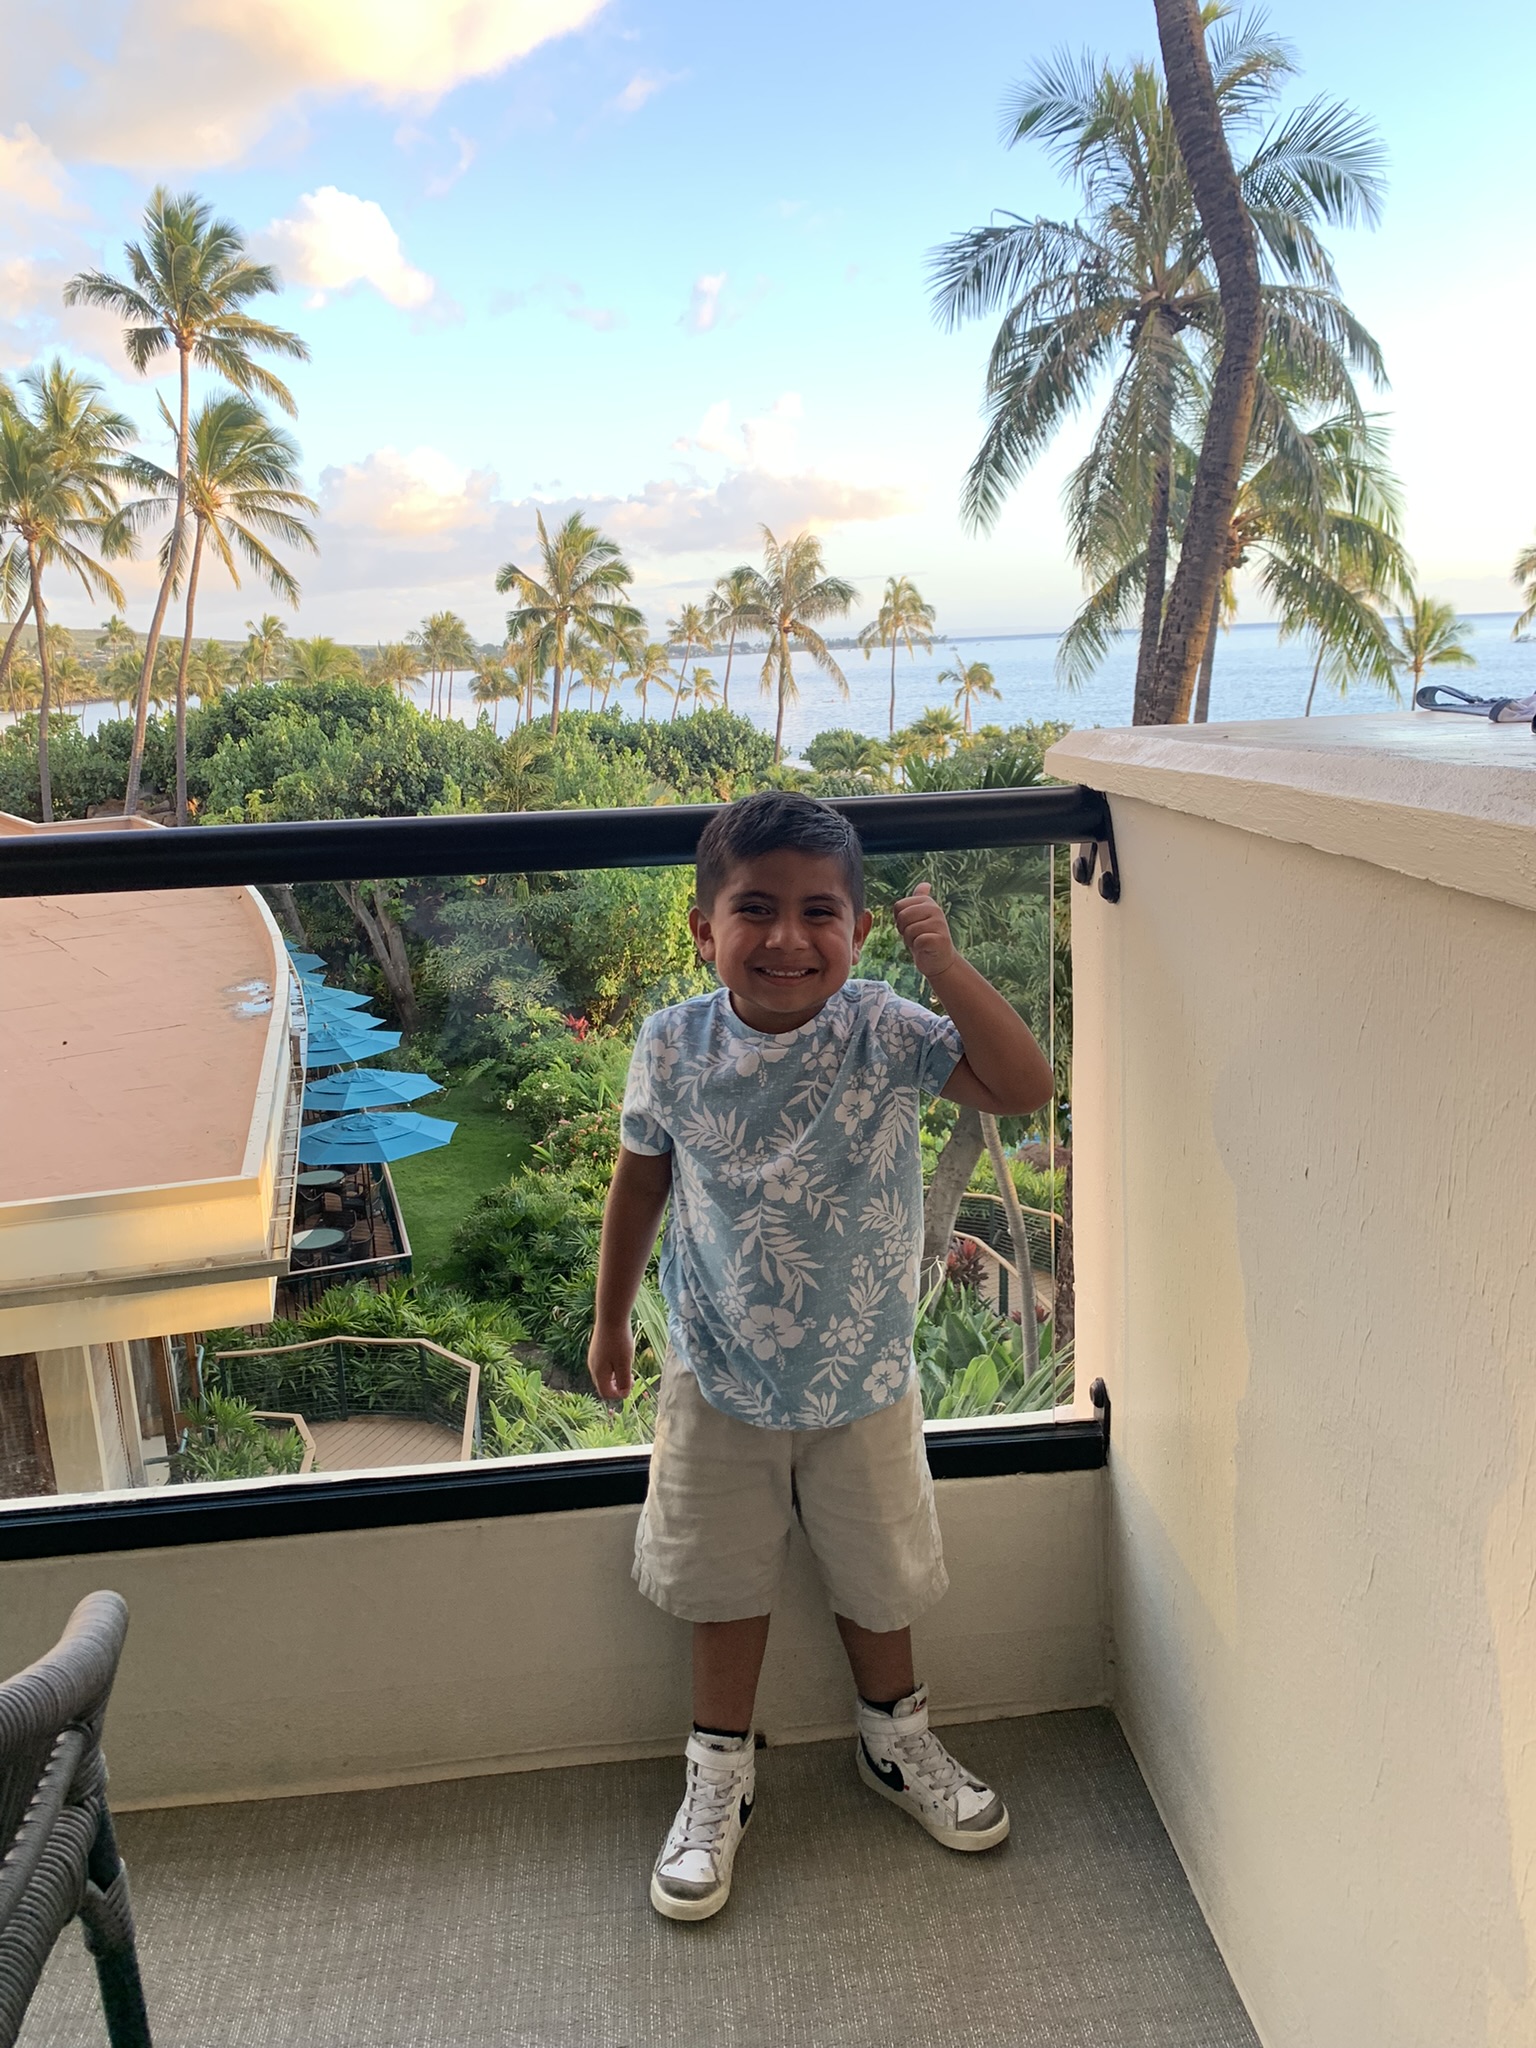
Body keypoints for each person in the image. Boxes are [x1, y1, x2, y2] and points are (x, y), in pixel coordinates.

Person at [587, 789, 1054, 1921]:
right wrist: (610, 1319)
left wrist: (944, 967)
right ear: (704, 928)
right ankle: (718, 1774)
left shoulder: (886, 1030)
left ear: (857, 928)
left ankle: (896, 1741)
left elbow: (1023, 1085)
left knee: (878, 1574)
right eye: (756, 908)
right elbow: (640, 1183)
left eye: (819, 912)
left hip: (864, 1375)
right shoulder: (672, 1043)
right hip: (717, 1369)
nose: (788, 937)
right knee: (722, 1580)